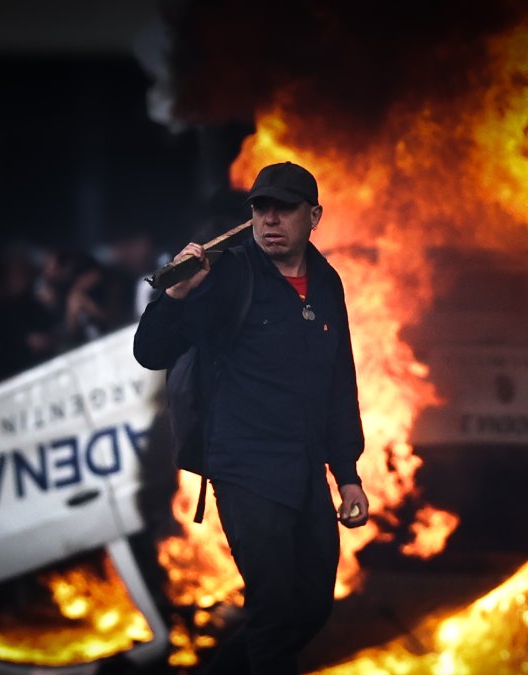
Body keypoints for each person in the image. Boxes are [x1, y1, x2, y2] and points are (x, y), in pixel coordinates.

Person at [133, 161, 369, 674]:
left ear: (315, 216)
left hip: (306, 472)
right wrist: (174, 294)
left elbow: (337, 381)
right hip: (245, 470)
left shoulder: (327, 282)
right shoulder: (229, 276)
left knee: (311, 606)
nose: (270, 220)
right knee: (275, 607)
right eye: (262, 209)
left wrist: (347, 475)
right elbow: (151, 350)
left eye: (285, 209)